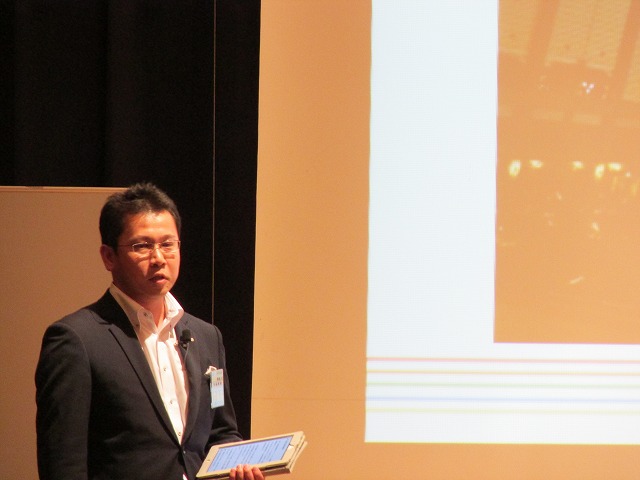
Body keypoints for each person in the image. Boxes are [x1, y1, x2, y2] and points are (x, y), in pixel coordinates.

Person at [35, 183, 264, 480]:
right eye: (141, 246)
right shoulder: (76, 340)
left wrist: (238, 463)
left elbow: (221, 430)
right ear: (108, 256)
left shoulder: (207, 337)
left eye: (168, 244)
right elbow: (63, 461)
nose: (158, 258)